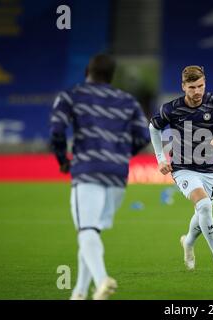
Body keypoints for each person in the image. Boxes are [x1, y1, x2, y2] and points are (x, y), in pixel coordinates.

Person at [50, 53, 150, 300]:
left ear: (87, 73)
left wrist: (63, 160)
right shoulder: (127, 100)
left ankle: (102, 279)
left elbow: (57, 130)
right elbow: (144, 137)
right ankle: (80, 293)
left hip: (88, 171)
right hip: (117, 176)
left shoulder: (71, 95)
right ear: (111, 76)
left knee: (86, 230)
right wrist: (122, 154)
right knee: (91, 232)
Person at [149, 66, 213, 273]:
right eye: (192, 87)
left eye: (200, 86)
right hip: (182, 169)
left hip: (209, 170)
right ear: (183, 87)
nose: (197, 91)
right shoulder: (171, 108)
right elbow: (153, 128)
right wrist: (160, 159)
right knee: (205, 207)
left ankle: (188, 242)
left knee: (203, 213)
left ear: (205, 83)